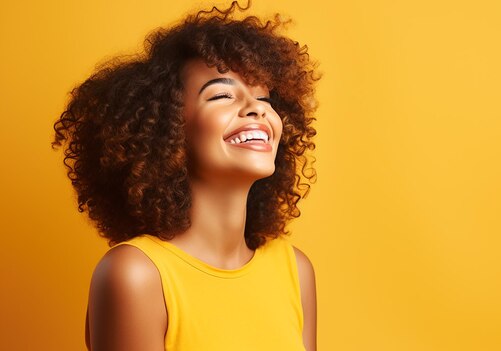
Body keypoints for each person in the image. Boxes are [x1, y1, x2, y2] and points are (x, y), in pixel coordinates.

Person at [51, 1, 320, 350]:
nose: (256, 108)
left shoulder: (294, 271)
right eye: (222, 95)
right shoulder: (135, 275)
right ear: (169, 128)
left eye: (264, 98)